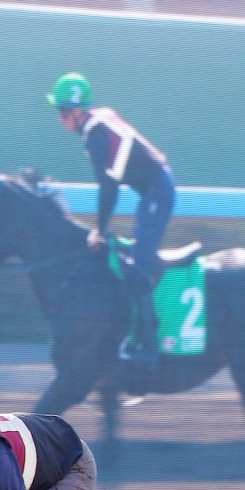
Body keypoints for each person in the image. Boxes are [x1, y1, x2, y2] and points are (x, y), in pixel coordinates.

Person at [49, 71, 177, 367]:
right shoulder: (100, 118)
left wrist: (100, 230)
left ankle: (149, 345)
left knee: (136, 270)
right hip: (153, 191)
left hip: (157, 192)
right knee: (129, 262)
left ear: (76, 112)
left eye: (62, 112)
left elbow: (108, 190)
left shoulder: (95, 137)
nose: (60, 119)